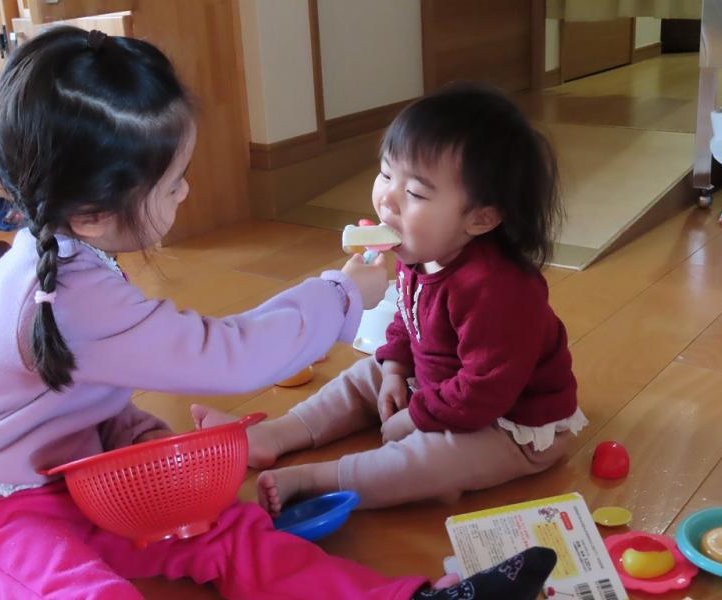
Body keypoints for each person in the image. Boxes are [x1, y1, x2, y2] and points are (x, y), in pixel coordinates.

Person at [0, 27, 559, 600]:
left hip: (81, 470)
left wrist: (132, 434)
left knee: (227, 529)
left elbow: (79, 392)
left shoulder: (72, 264)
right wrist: (342, 294)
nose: (185, 192)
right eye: (173, 184)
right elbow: (230, 356)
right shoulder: (67, 298)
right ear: (92, 215)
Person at [195, 82, 587, 515]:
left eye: (414, 193)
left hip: (508, 422)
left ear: (481, 218)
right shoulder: (418, 251)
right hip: (440, 387)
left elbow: (484, 391)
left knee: (434, 461)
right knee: (364, 376)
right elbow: (407, 320)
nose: (387, 199)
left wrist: (417, 417)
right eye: (385, 174)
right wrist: (396, 370)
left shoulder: (499, 290)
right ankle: (275, 435)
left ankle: (317, 480)